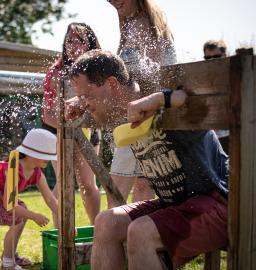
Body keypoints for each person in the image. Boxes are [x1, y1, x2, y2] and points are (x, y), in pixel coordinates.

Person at [69, 50, 228, 270]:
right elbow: (95, 109)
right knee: (105, 223)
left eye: (87, 95)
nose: (84, 103)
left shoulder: (159, 96)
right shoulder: (119, 109)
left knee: (141, 231)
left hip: (219, 202)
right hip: (175, 204)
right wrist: (82, 105)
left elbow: (196, 100)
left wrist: (159, 99)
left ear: (112, 84)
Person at [105, 0, 177, 208]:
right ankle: (131, 237)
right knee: (142, 189)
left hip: (144, 119)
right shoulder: (132, 23)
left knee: (117, 193)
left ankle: (118, 237)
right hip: (144, 118)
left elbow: (154, 79)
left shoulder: (143, 24)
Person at [0, 128, 59, 270]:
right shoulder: (13, 169)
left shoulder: (36, 172)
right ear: (34, 155)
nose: (50, 160)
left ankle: (10, 254)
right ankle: (8, 263)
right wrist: (34, 216)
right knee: (19, 217)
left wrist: (65, 221)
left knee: (21, 214)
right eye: (47, 156)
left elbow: (50, 199)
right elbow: (10, 206)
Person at [42, 22, 102, 224]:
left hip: (89, 130)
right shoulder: (57, 71)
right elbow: (47, 114)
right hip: (59, 131)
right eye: (69, 41)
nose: (73, 45)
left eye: (79, 41)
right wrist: (67, 130)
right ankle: (63, 237)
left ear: (90, 45)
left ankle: (99, 232)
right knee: (63, 183)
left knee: (87, 183)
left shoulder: (99, 67)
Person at [203, 40, 229, 153]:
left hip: (234, 134)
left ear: (225, 55)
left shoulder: (237, 76)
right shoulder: (200, 80)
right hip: (212, 139)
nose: (212, 61)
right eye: (208, 58)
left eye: (217, 57)